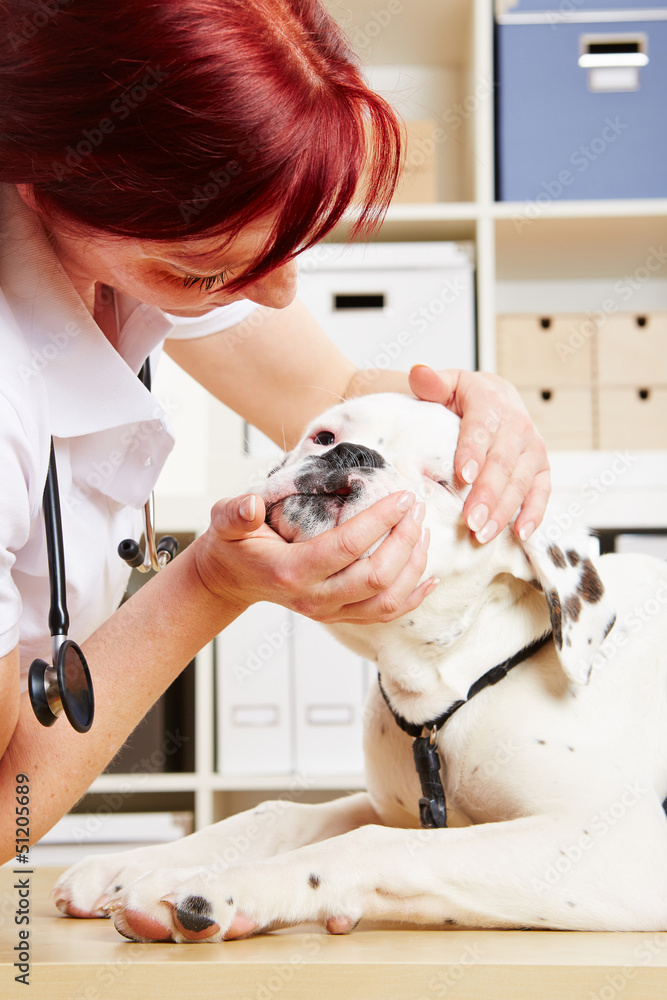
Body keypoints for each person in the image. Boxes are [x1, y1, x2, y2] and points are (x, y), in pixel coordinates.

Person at [0, 0, 550, 863]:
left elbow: (330, 390)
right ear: (35, 177)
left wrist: (470, 405)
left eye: (288, 245)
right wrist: (211, 584)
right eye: (212, 269)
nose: (277, 294)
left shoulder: (126, 239)